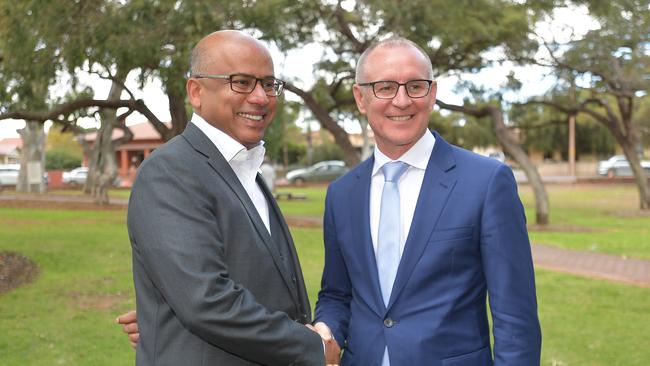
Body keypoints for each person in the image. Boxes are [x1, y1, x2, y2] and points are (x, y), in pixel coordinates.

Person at [313, 37, 542, 365]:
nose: (402, 100)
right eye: (385, 87)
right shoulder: (342, 193)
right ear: (360, 97)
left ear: (432, 93)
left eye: (415, 86)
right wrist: (326, 329)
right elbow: (337, 294)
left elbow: (515, 320)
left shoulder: (487, 182)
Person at [123, 30, 338, 365]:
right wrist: (311, 348)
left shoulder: (245, 168)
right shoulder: (171, 172)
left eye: (268, 84)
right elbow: (205, 301)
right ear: (195, 91)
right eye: (241, 82)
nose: (260, 97)